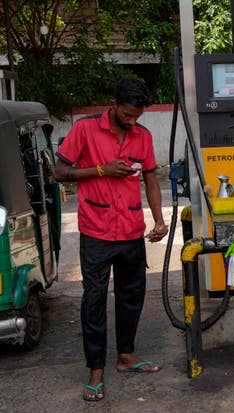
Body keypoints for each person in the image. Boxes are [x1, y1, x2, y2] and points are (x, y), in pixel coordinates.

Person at [54, 77, 168, 402]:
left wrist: (159, 220)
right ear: (115, 104)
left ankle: (126, 356)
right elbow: (60, 173)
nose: (133, 122)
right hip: (96, 231)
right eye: (128, 115)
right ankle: (96, 371)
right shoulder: (85, 130)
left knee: (131, 296)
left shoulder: (142, 136)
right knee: (94, 300)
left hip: (131, 229)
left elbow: (150, 179)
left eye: (138, 117)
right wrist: (101, 170)